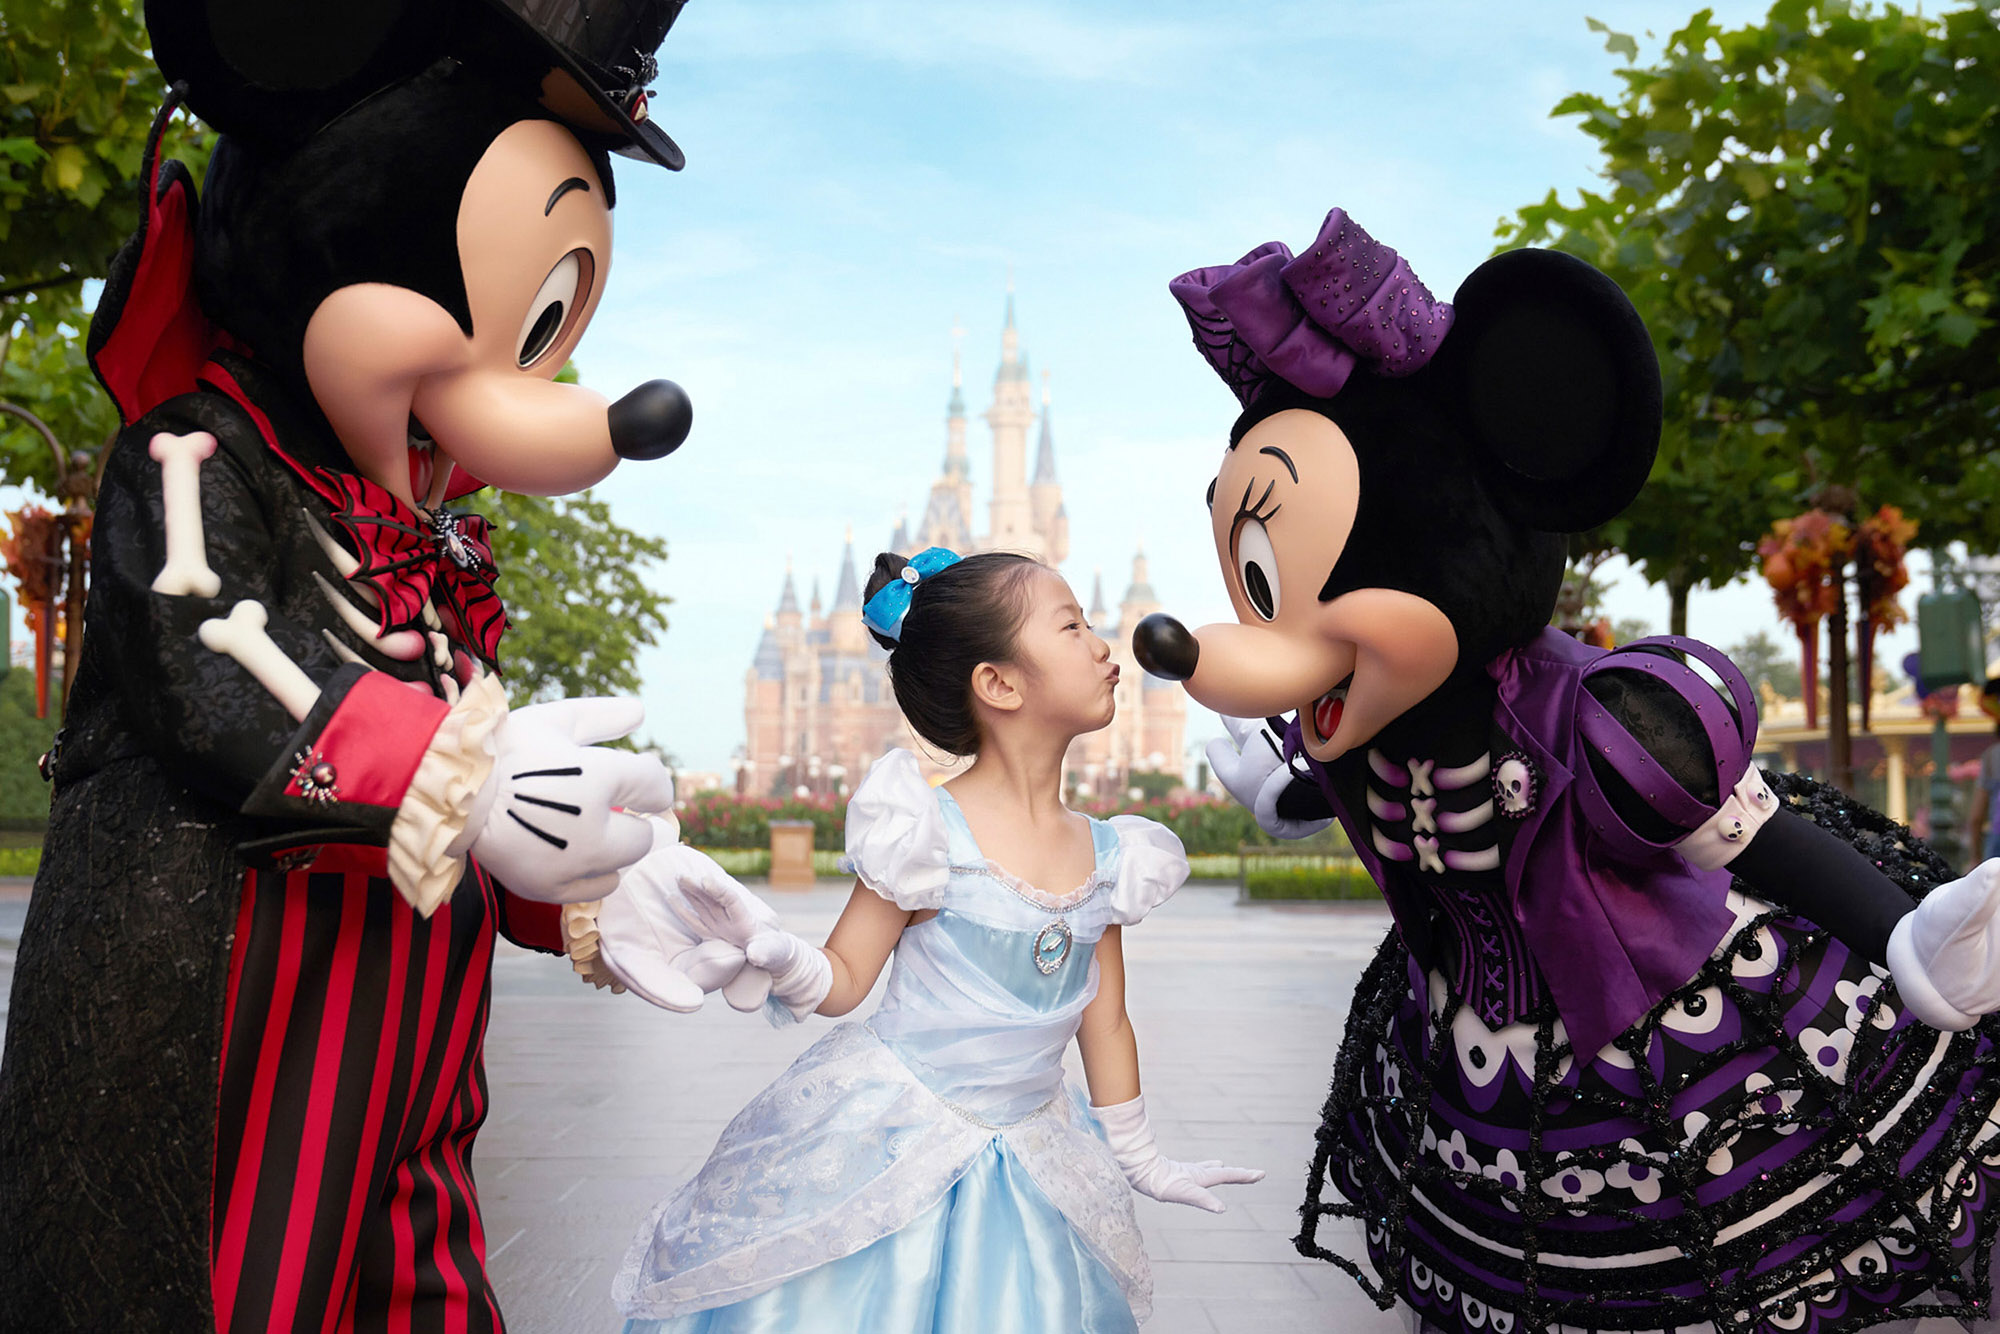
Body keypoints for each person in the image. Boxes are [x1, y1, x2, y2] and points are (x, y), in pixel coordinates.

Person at [607, 548, 1262, 1333]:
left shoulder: (1115, 853)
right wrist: (784, 957)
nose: (1102, 646)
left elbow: (1103, 1017)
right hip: (892, 1142)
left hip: (1036, 1153)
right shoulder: (921, 830)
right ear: (999, 683)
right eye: (1072, 626)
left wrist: (1138, 1154)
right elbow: (848, 975)